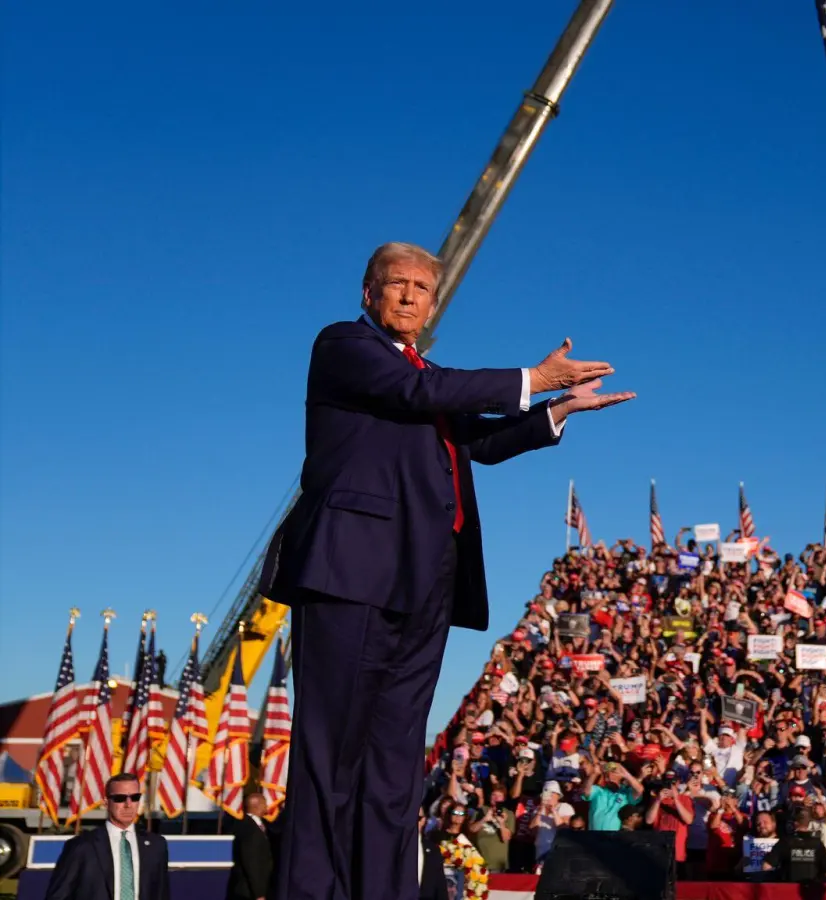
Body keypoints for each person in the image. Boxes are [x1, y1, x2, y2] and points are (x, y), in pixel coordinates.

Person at [264, 241, 632, 900]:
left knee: (396, 768)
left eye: (421, 288)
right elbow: (418, 391)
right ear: (368, 294)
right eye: (396, 284)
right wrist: (532, 379)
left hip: (425, 584)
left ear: (433, 305)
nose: (409, 295)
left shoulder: (428, 377)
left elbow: (477, 439)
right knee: (331, 756)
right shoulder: (345, 347)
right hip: (351, 576)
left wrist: (556, 410)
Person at [43, 773, 171, 900]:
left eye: (135, 797)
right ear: (106, 802)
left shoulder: (156, 846)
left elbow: (161, 894)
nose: (128, 804)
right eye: (120, 798)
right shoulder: (82, 846)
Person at [228, 792, 274, 900]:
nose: (267, 806)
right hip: (249, 892)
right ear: (257, 805)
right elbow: (251, 863)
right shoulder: (250, 830)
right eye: (264, 803)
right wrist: (259, 894)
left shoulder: (250, 825)